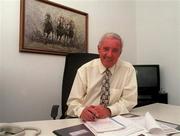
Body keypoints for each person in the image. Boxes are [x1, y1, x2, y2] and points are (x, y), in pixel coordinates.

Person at [67, 32, 137, 121]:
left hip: (114, 120)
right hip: (86, 120)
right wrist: (81, 111)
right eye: (106, 49)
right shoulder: (84, 70)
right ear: (99, 49)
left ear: (120, 53)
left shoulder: (128, 70)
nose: (109, 54)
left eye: (115, 50)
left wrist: (109, 111)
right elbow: (72, 102)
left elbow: (129, 101)